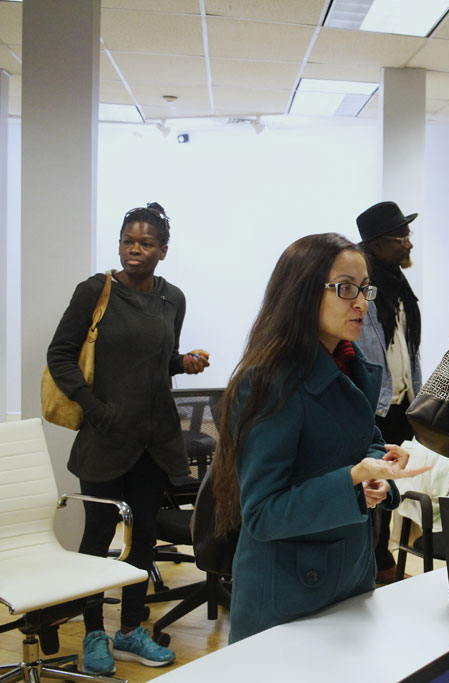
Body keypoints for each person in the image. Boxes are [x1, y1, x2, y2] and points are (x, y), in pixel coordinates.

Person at [211, 233, 428, 643]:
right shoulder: (269, 381)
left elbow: (366, 444)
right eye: (346, 289)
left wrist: (377, 473)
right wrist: (351, 480)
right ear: (302, 292)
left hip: (349, 576)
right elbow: (262, 513)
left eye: (365, 289)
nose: (362, 302)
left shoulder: (352, 366)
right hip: (289, 593)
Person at [46, 203, 210, 675]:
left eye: (145, 243)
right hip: (104, 438)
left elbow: (161, 362)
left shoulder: (172, 298)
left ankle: (131, 631)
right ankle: (94, 632)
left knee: (141, 539)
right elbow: (60, 356)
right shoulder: (95, 291)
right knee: (97, 538)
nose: (134, 250)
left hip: (153, 439)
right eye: (127, 241)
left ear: (163, 249)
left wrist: (185, 363)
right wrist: (95, 409)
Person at [355, 201, 423, 583]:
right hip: (371, 407)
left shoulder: (399, 284)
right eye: (402, 237)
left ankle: (379, 556)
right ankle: (368, 562)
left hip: (399, 404)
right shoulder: (363, 288)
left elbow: (404, 347)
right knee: (368, 486)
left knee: (387, 486)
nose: (409, 244)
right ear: (378, 243)